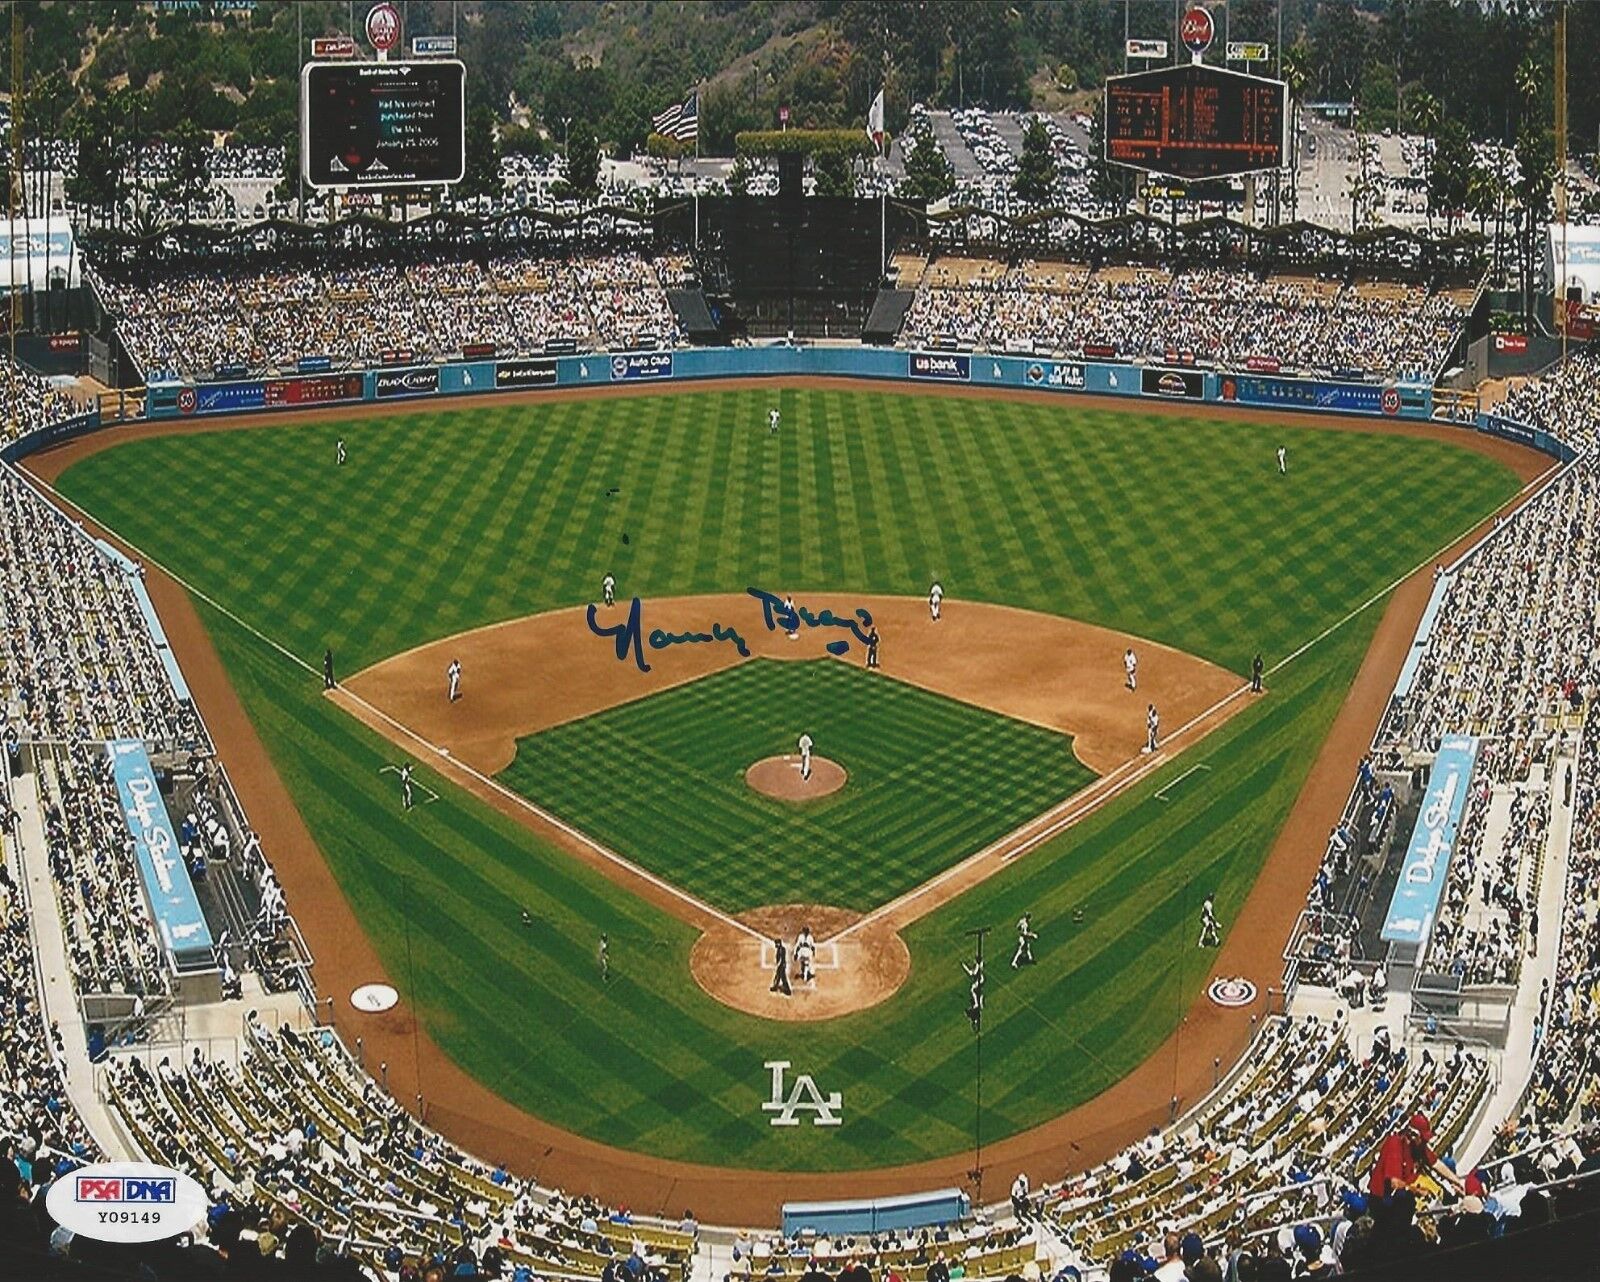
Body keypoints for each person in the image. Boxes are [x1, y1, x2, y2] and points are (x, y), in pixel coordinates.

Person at [1367, 1112, 1466, 1199]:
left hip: (1411, 1183)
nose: (1425, 1141)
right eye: (1422, 1138)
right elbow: (1395, 1183)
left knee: (1441, 1190)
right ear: (1412, 1135)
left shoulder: (1417, 1145)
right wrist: (1416, 1191)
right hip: (1387, 1197)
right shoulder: (1395, 1145)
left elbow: (1436, 1164)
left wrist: (1457, 1181)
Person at [963, 955, 984, 1031]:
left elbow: (973, 973)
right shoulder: (979, 965)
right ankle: (976, 1022)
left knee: (973, 990)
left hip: (979, 980)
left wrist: (965, 967)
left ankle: (976, 1003)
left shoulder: (978, 966)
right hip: (979, 980)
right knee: (975, 991)